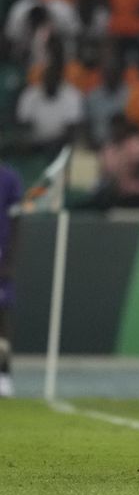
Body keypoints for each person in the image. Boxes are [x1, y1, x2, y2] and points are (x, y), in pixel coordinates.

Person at [0, 163, 23, 398]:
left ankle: (3, 374)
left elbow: (16, 220)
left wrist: (9, 261)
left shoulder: (9, 178)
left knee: (2, 319)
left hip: (0, 259)